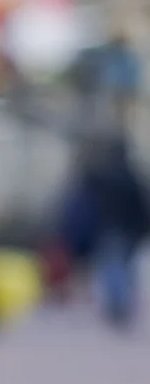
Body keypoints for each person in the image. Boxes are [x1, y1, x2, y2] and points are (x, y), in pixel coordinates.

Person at [54, 130, 148, 332]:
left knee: (114, 267)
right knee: (122, 267)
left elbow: (86, 205)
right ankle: (120, 304)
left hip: (109, 229)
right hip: (127, 231)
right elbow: (141, 207)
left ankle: (117, 305)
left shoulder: (102, 176)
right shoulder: (131, 177)